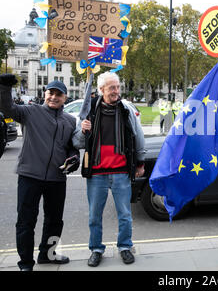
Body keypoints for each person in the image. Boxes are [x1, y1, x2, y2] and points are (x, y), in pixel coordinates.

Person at [0, 75, 80, 271]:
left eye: (58, 94)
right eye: (50, 93)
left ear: (64, 98)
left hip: (57, 178)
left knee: (55, 221)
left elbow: (71, 147)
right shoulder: (30, 112)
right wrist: (4, 87)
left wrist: (74, 158)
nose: (53, 97)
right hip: (30, 176)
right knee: (26, 221)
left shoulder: (70, 121)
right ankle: (26, 263)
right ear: (45, 94)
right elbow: (7, 108)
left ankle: (48, 255)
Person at [73, 71, 145, 267]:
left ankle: (124, 247)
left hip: (121, 172)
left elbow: (138, 136)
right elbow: (77, 142)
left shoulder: (126, 110)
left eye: (118, 87)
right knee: (95, 216)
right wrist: (83, 130)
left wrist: (140, 162)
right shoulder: (90, 111)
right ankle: (96, 249)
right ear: (101, 89)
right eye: (112, 87)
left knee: (125, 215)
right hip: (96, 174)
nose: (116, 91)